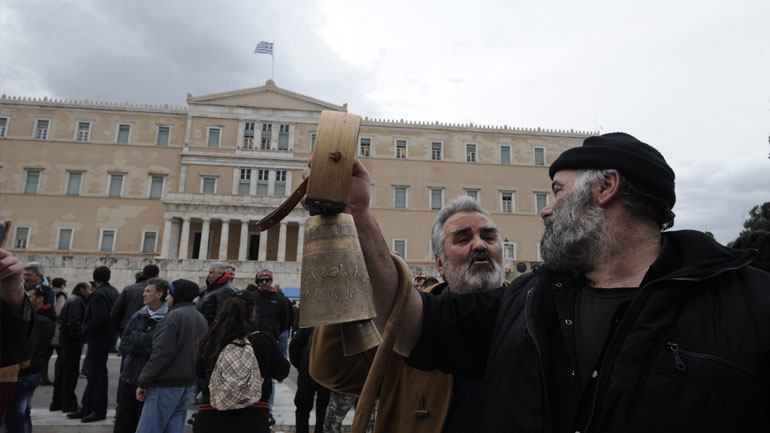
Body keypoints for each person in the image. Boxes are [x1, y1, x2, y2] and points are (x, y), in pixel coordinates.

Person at [335, 132, 770, 432]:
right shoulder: (526, 301)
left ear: (605, 188)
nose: (545, 209)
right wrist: (359, 215)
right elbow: (410, 325)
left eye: (558, 192)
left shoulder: (750, 303)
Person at [309, 196, 507, 433]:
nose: (479, 245)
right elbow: (334, 370)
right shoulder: (400, 320)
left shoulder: (531, 312)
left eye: (489, 237)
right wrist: (348, 283)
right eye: (463, 239)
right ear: (440, 264)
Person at [193, 295, 290, 433]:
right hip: (253, 414)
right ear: (253, 313)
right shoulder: (263, 339)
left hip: (212, 412)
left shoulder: (210, 340)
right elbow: (282, 371)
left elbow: (199, 372)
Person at [135, 279, 207, 433]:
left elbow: (161, 353)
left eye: (169, 294)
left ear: (177, 295)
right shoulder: (200, 318)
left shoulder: (172, 317)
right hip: (187, 386)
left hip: (164, 385)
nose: (166, 298)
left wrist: (143, 381)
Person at [114, 278, 169, 433]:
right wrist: (146, 343)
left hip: (151, 380)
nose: (143, 294)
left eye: (148, 291)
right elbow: (124, 343)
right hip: (130, 375)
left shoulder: (167, 318)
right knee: (123, 422)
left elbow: (160, 348)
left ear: (159, 294)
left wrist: (139, 340)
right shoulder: (138, 315)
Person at [68, 266, 119, 423]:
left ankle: (98, 409)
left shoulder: (98, 294)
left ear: (94, 277)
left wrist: (84, 330)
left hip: (99, 338)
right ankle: (87, 407)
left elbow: (100, 316)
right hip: (108, 336)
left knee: (97, 375)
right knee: (94, 374)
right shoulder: (113, 291)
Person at [3, 285, 56, 432]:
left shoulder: (38, 320)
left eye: (30, 296)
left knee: (14, 415)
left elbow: (25, 347)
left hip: (25, 373)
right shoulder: (44, 318)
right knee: (23, 413)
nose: (25, 299)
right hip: (33, 371)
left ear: (40, 299)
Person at [50, 281, 92, 414]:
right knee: (69, 373)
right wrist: (79, 337)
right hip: (71, 342)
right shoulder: (76, 301)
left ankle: (58, 401)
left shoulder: (74, 300)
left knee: (64, 372)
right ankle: (68, 403)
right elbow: (74, 322)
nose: (90, 292)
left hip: (67, 340)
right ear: (82, 289)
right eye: (89, 289)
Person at [290, 327, 330, 433]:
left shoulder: (309, 323)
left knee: (302, 408)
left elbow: (294, 345)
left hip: (307, 370)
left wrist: (300, 365)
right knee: (323, 409)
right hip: (327, 373)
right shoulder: (333, 324)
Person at [111, 264, 160, 335]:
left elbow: (115, 312)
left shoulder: (129, 289)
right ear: (157, 276)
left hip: (128, 330)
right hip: (148, 333)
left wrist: (121, 329)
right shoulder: (159, 291)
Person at [41, 277, 67, 387]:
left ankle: (44, 377)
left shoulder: (48, 292)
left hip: (47, 328)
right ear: (62, 285)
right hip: (57, 329)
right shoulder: (61, 295)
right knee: (60, 355)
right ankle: (57, 378)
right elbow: (60, 312)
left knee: (45, 356)